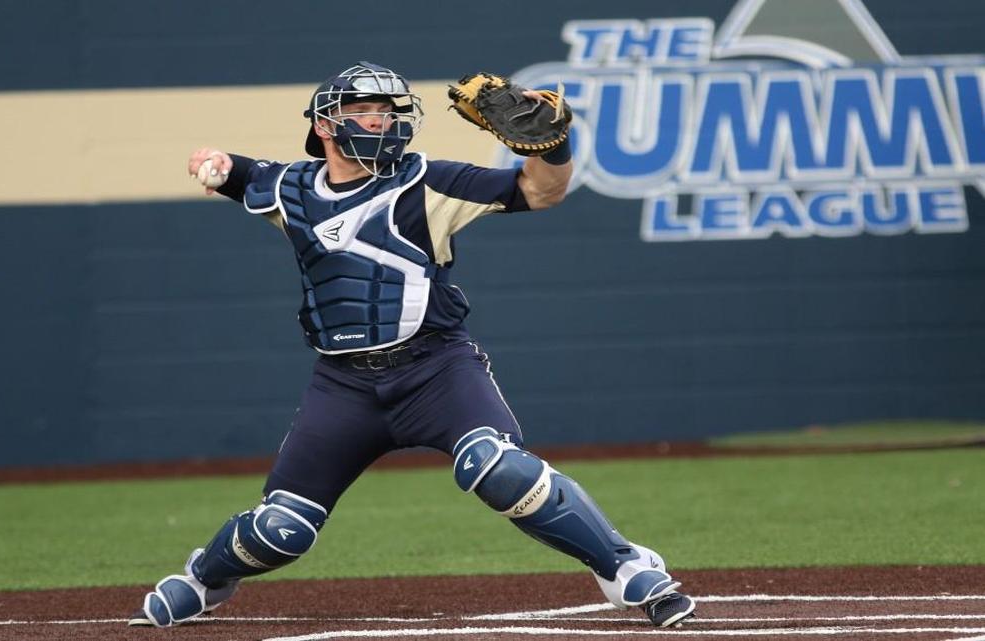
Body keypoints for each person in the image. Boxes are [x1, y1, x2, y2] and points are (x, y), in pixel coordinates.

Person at [129, 61, 696, 629]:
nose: (385, 122)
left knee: (498, 469)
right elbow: (237, 172)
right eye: (368, 112)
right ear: (327, 125)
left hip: (435, 369)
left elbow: (542, 190)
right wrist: (213, 162)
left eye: (391, 111)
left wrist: (554, 145)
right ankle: (204, 577)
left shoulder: (425, 181)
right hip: (344, 385)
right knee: (282, 530)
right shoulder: (291, 189)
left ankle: (623, 566)